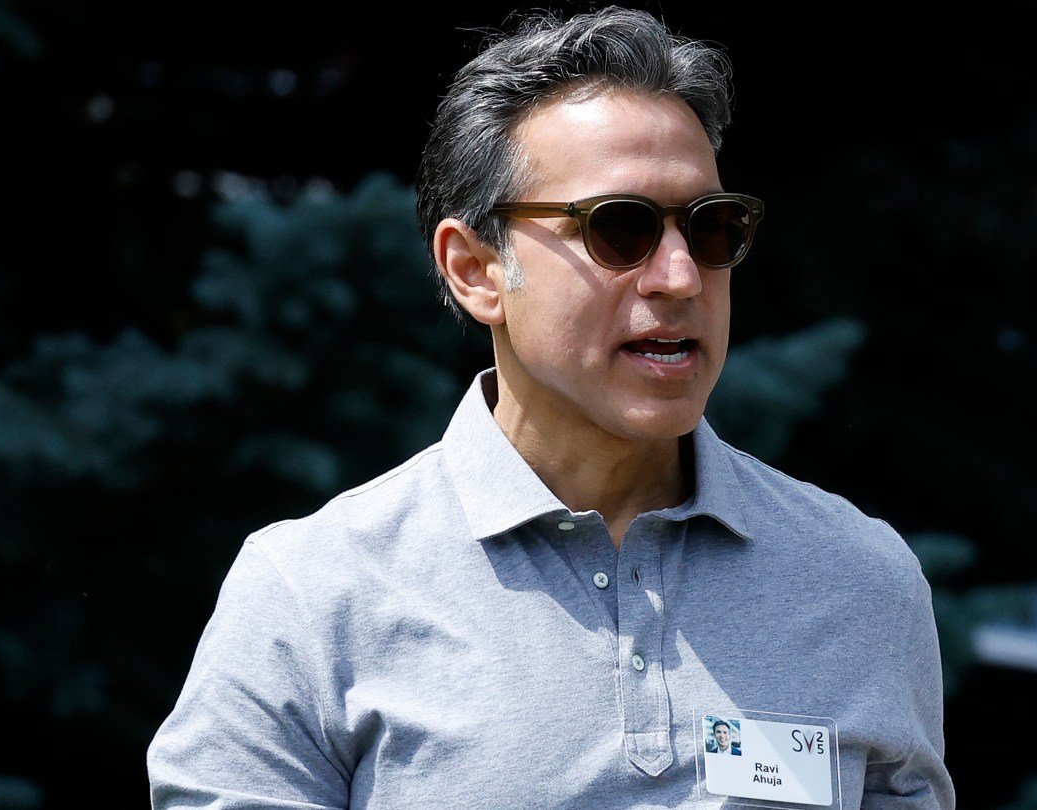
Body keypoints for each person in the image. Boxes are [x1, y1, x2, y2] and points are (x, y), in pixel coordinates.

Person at [147, 6, 955, 809]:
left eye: (711, 229)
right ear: (475, 270)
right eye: (620, 229)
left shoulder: (861, 581)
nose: (680, 276)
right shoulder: (313, 592)